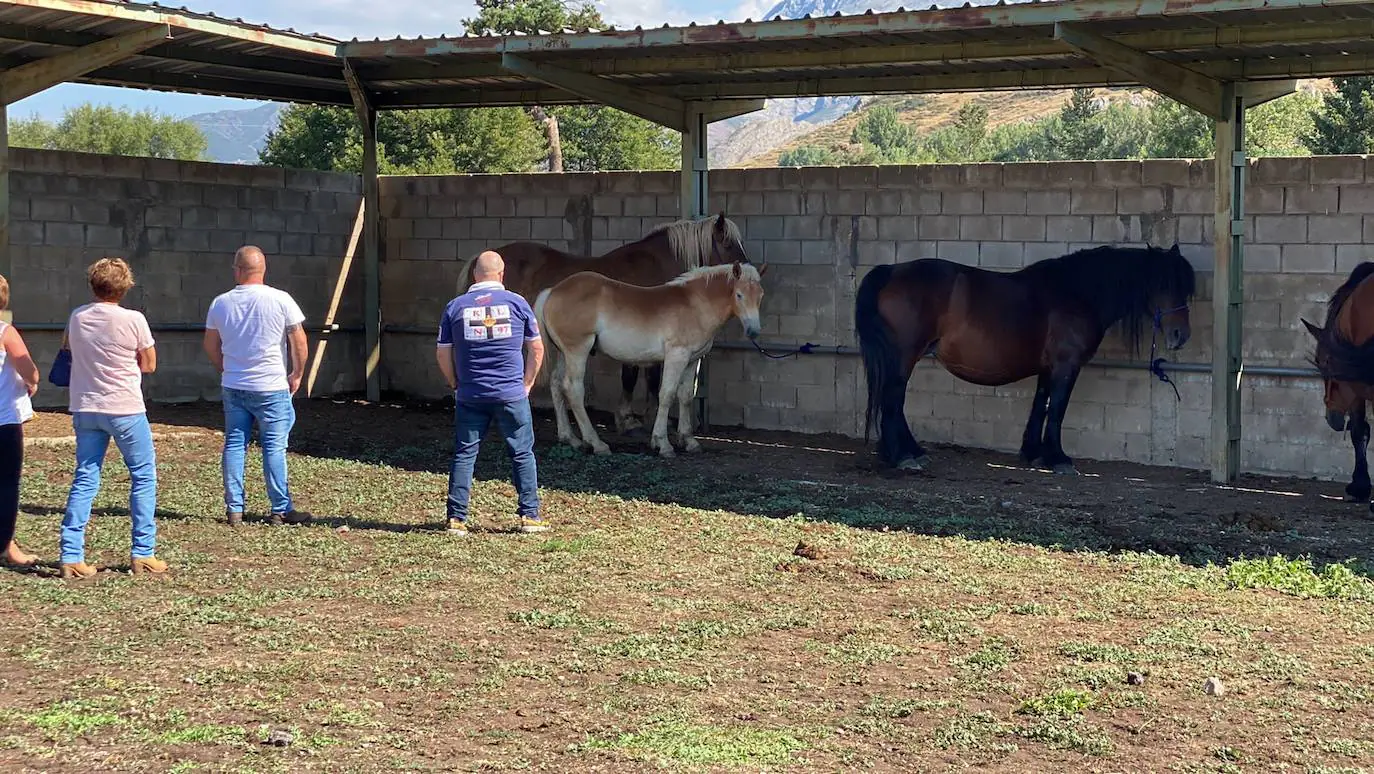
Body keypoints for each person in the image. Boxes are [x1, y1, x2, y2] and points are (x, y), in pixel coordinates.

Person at [60, 258, 164, 579]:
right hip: (125, 407)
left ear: (93, 284)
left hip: (86, 406)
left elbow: (68, 349)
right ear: (125, 286)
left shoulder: (77, 316)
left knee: (85, 477)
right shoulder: (134, 319)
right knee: (143, 476)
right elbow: (149, 365)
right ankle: (143, 553)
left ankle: (70, 554)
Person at [436, 251, 547, 537]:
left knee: (464, 454)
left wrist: (454, 383)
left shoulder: (455, 307)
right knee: (522, 453)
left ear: (474, 275)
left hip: (470, 395)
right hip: (511, 394)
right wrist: (527, 383)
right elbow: (536, 349)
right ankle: (529, 516)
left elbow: (443, 353)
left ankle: (456, 519)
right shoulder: (518, 303)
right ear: (501, 274)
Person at [203, 246, 311, 528]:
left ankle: (234, 509)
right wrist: (297, 373)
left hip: (235, 386)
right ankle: (280, 509)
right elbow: (298, 340)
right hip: (272, 385)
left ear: (238, 270)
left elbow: (210, 345)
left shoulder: (220, 302)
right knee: (274, 447)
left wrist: (225, 368)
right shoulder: (281, 299)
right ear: (263, 269)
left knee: (235, 444)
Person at [0, 275, 39, 570]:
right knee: (6, 483)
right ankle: (6, 546)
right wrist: (31, 381)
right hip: (4, 420)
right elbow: (28, 367)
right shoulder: (5, 331)